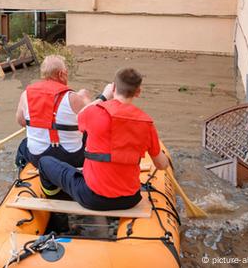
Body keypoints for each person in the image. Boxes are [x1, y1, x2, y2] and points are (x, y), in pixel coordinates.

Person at [38, 68, 170, 210]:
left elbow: (79, 116)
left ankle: (58, 211)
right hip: (130, 199)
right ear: (138, 92)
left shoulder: (94, 112)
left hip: (92, 198)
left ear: (113, 88)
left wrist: (103, 96)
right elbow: (162, 165)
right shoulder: (146, 123)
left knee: (44, 162)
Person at [14, 55, 92, 169]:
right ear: (61, 74)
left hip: (37, 158)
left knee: (23, 145)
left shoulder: (26, 94)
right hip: (72, 159)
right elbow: (93, 123)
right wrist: (85, 98)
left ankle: (23, 172)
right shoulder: (72, 97)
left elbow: (21, 122)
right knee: (87, 134)